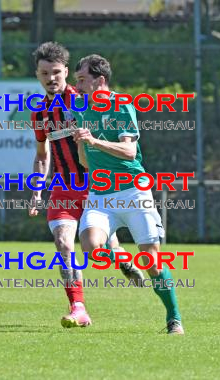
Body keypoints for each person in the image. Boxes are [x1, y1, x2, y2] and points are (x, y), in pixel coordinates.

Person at [28, 42, 144, 328]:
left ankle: (122, 259)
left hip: (96, 187)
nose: (51, 78)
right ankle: (78, 307)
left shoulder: (85, 100)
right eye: (44, 73)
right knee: (63, 243)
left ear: (66, 72)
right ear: (38, 75)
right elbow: (43, 157)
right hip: (63, 188)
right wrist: (36, 190)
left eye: (56, 72)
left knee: (102, 247)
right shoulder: (40, 114)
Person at [71, 54, 184, 335]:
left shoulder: (121, 105)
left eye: (82, 80)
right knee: (91, 248)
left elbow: (129, 151)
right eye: (77, 81)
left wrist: (94, 140)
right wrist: (81, 143)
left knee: (152, 261)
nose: (78, 86)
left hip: (133, 191)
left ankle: (174, 318)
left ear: (100, 80)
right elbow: (85, 163)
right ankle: (122, 259)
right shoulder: (81, 108)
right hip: (100, 195)